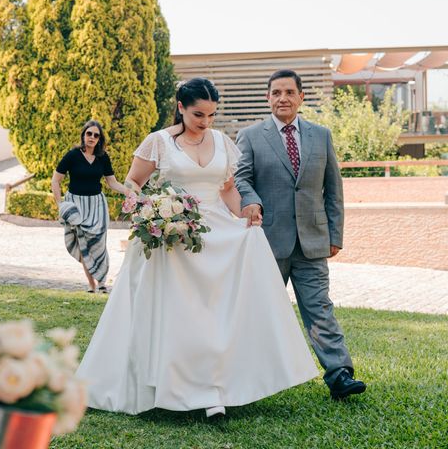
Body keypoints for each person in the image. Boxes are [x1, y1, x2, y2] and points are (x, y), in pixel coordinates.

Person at [76, 78, 318, 418]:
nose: (205, 122)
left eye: (211, 115)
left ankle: (215, 389)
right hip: (172, 239)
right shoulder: (158, 142)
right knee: (181, 315)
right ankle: (181, 388)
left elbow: (228, 190)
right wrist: (153, 211)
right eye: (198, 115)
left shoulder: (221, 141)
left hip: (216, 232)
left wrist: (244, 210)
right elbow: (133, 183)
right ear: (180, 107)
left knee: (214, 315)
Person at [234, 69, 367, 400]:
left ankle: (339, 374)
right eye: (276, 92)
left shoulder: (321, 135)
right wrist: (251, 200)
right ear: (268, 98)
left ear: (301, 97)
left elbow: (333, 189)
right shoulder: (250, 136)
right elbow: (242, 179)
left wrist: (335, 233)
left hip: (312, 241)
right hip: (267, 240)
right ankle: (238, 376)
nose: (283, 98)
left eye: (289, 92)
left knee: (320, 308)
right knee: (258, 310)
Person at [52, 120, 130, 293]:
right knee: (83, 245)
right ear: (83, 135)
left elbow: (112, 182)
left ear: (99, 138)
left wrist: (128, 192)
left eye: (96, 135)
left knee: (100, 245)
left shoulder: (103, 157)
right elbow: (55, 180)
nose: (92, 137)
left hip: (97, 206)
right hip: (76, 206)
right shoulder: (72, 155)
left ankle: (102, 281)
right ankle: (92, 285)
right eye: (89, 133)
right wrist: (61, 205)